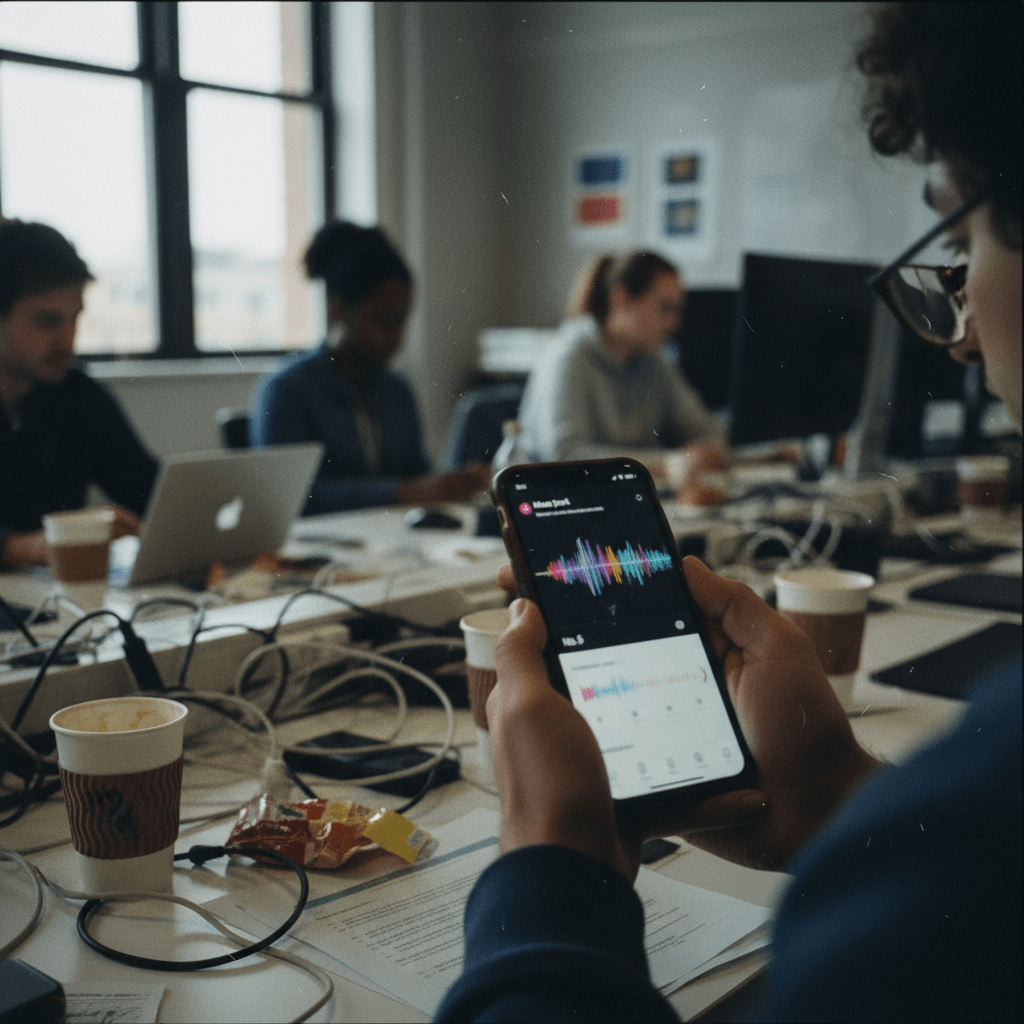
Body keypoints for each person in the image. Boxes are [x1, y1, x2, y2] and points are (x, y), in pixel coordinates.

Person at [438, 3, 1021, 1021]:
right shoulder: (573, 356)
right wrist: (842, 796)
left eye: (962, 234)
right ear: (620, 303)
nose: (958, 332)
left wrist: (551, 869)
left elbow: (694, 428)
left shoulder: (971, 837)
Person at [250, 222, 490, 513]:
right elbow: (291, 497)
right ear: (340, 310)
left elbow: (417, 474)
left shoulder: (397, 389)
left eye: (402, 320)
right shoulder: (287, 390)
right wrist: (401, 492)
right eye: (384, 320)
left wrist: (448, 484)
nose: (397, 337)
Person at [0, 220, 158, 569]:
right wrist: (23, 547)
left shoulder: (79, 395)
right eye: (47, 322)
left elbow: (148, 492)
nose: (69, 341)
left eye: (76, 319)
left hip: (53, 604)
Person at [517, 250, 728, 480]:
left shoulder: (654, 360)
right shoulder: (568, 357)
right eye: (665, 308)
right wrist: (668, 463)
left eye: (677, 310)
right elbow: (564, 456)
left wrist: (707, 452)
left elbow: (704, 428)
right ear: (621, 298)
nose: (675, 323)